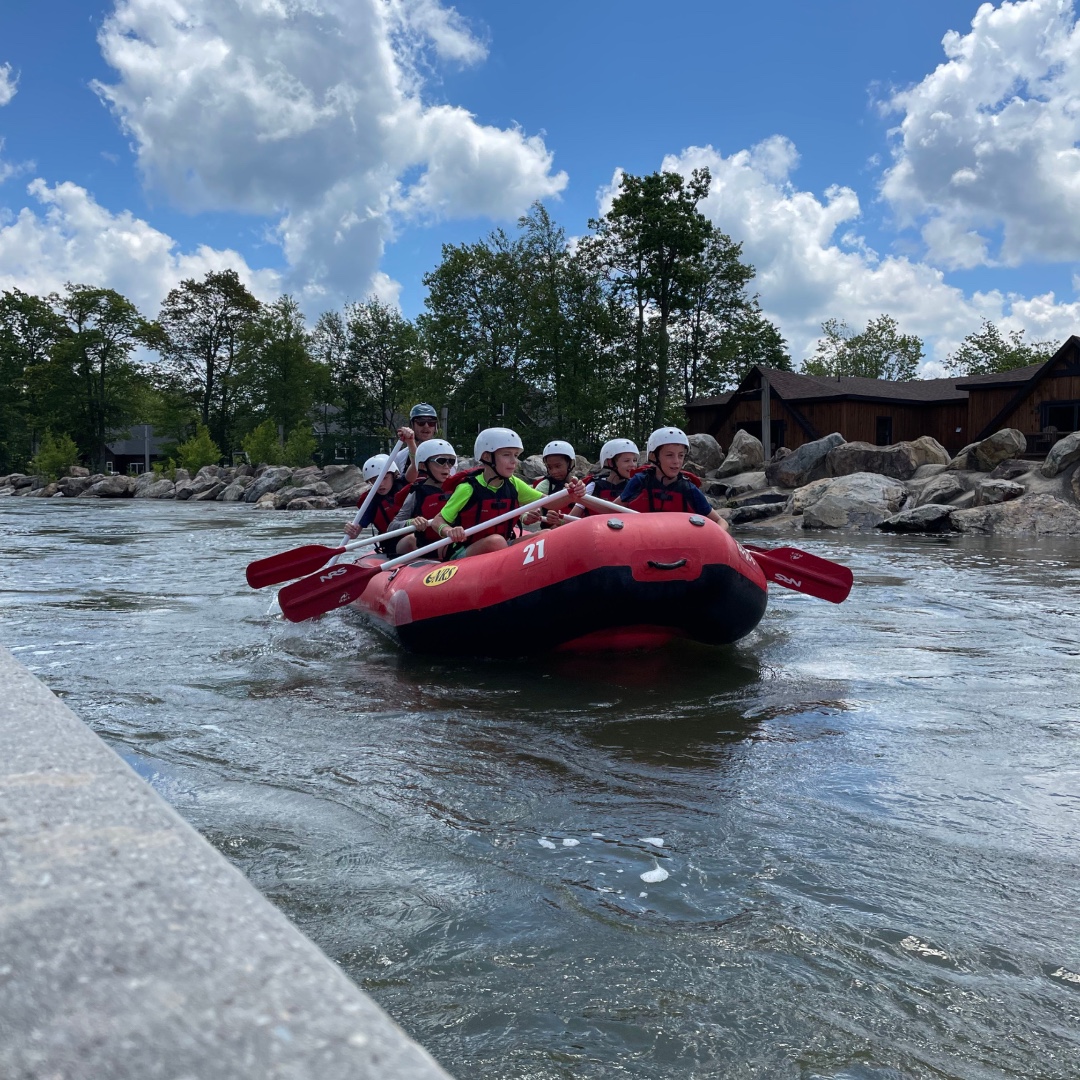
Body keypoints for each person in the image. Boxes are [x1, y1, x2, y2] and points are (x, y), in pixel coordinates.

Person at [427, 427, 585, 559]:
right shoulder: (468, 488)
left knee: (546, 534)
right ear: (487, 457)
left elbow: (549, 503)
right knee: (496, 541)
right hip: (465, 551)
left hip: (503, 546)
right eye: (506, 455)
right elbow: (437, 521)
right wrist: (449, 531)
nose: (514, 461)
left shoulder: (514, 484)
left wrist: (572, 495)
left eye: (515, 455)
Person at [618, 427, 729, 531]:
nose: (676, 461)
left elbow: (721, 521)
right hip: (642, 540)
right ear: (653, 456)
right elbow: (610, 509)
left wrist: (717, 534)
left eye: (681, 455)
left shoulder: (688, 489)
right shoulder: (640, 481)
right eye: (669, 455)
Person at [389, 439, 458, 556]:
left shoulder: (459, 488)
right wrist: (411, 522)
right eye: (441, 461)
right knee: (409, 540)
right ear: (423, 465)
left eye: (451, 461)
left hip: (452, 544)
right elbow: (392, 527)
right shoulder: (416, 492)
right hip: (425, 548)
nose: (447, 466)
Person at [342, 454, 410, 553]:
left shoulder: (406, 486)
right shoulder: (370, 501)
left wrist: (411, 442)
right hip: (393, 547)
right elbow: (355, 533)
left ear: (393, 476)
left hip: (419, 539)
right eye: (374, 480)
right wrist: (351, 530)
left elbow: (415, 467)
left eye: (384, 478)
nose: (380, 484)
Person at [568, 438, 639, 517]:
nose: (633, 465)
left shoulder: (635, 486)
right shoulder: (594, 486)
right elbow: (573, 516)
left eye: (634, 460)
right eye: (627, 461)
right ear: (610, 463)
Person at [532, 439, 576, 528]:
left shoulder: (579, 484)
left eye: (558, 466)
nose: (554, 471)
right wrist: (529, 516)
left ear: (570, 463)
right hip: (551, 533)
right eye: (550, 467)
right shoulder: (544, 486)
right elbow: (532, 509)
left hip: (576, 529)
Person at [392, 402, 440, 481]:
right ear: (412, 425)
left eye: (431, 423)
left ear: (435, 427)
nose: (426, 426)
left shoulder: (445, 455)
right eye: (421, 422)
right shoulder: (399, 457)